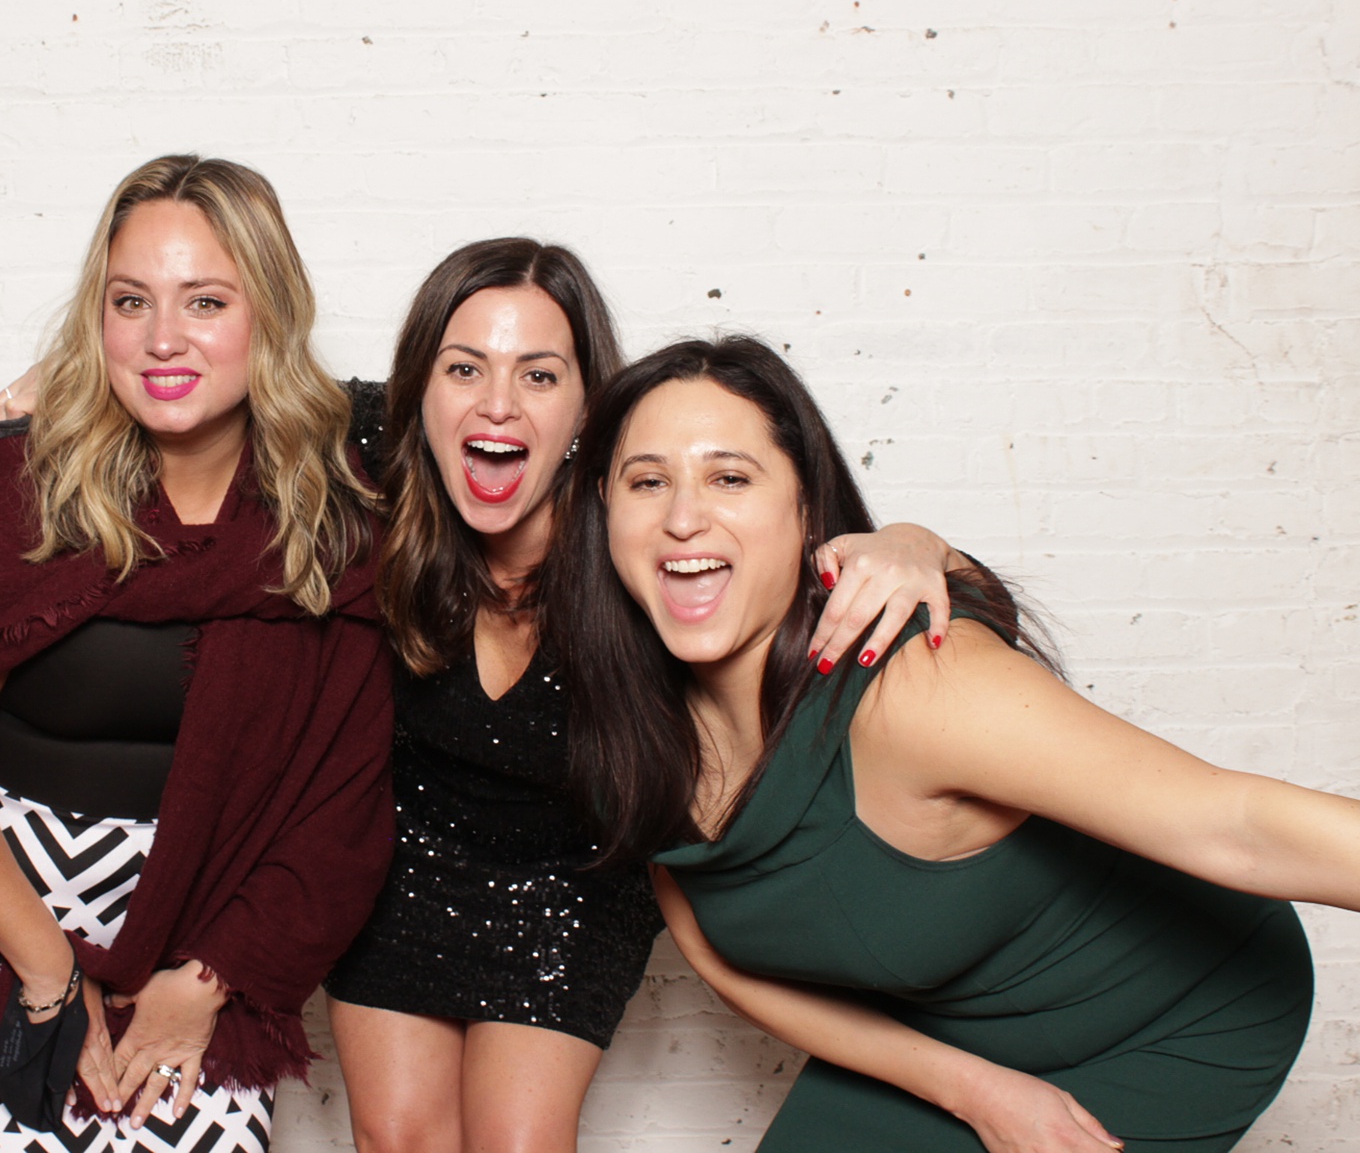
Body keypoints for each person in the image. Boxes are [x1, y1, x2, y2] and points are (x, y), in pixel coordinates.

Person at [0, 242, 970, 1153]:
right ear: (419, 391)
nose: (496, 401)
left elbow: (865, 571)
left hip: (573, 883)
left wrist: (916, 544)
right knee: (399, 1139)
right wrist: (65, 378)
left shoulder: (646, 528)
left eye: (538, 374)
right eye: (465, 368)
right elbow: (221, 383)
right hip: (399, 866)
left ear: (587, 407)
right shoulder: (368, 477)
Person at [551, 335, 1357, 1152]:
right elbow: (722, 961)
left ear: (805, 508)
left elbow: (1236, 822)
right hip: (958, 1026)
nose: (684, 516)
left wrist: (922, 543)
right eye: (647, 481)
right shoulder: (635, 733)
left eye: (730, 476)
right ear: (604, 515)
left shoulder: (913, 691)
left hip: (1180, 1008)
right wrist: (972, 1088)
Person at [0, 154, 397, 1153]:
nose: (161, 338)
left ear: (267, 315)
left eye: (205, 301)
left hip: (203, 907)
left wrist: (203, 983)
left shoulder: (330, 515)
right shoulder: (7, 486)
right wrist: (48, 970)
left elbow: (339, 796)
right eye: (129, 301)